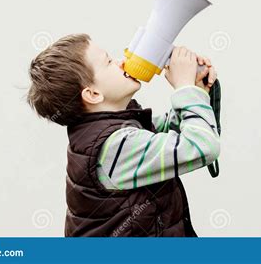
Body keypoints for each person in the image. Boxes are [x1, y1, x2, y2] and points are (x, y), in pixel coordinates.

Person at [27, 33, 220, 236]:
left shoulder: (114, 129)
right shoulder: (115, 146)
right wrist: (185, 88)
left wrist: (197, 89)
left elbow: (172, 134)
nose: (121, 62)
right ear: (93, 94)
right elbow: (203, 147)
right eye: (109, 62)